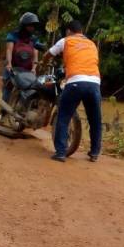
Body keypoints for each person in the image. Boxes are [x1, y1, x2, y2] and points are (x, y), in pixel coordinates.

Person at [41, 20, 103, 163]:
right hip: (94, 83)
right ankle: (94, 153)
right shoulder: (92, 44)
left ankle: (61, 152)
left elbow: (48, 54)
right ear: (81, 31)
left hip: (75, 82)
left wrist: (43, 65)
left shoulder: (66, 41)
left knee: (63, 115)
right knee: (95, 120)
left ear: (69, 31)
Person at [2, 12, 41, 105]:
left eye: (33, 26)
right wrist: (9, 64)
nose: (32, 28)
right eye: (30, 25)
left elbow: (36, 55)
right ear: (24, 25)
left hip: (26, 71)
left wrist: (34, 68)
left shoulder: (34, 39)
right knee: (8, 87)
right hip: (13, 67)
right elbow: (9, 50)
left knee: (32, 89)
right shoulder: (13, 35)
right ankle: (3, 111)